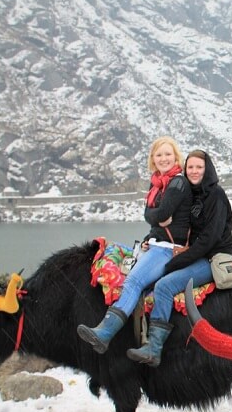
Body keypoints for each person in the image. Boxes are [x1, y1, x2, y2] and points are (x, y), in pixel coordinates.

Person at [77, 136, 192, 354]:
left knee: (133, 282)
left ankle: (106, 332)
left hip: (167, 248)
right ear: (152, 159)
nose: (164, 158)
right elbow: (152, 215)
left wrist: (154, 216)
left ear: (176, 156)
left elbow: (164, 213)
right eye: (159, 155)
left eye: (168, 154)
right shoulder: (157, 183)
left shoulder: (177, 182)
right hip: (157, 243)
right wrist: (152, 228)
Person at [126, 149, 232, 367]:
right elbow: (171, 226)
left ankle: (154, 348)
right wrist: (151, 237)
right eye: (190, 167)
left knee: (165, 286)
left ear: (208, 170)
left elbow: (209, 238)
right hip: (194, 254)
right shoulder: (191, 195)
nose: (194, 171)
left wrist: (178, 262)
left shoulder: (216, 196)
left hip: (211, 257)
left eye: (199, 167)